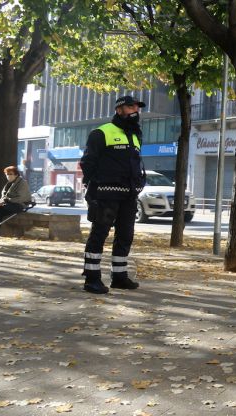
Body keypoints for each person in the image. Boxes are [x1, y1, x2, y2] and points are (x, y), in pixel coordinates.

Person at [80, 96, 146, 294]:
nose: (135, 109)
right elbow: (88, 162)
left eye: (137, 107)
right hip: (105, 194)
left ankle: (119, 277)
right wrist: (94, 186)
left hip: (129, 196)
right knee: (99, 234)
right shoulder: (101, 132)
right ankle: (91, 279)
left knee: (125, 235)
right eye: (130, 106)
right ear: (119, 109)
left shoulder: (135, 135)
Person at [0, 166, 31, 237]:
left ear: (16, 175)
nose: (8, 176)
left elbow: (21, 198)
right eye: (7, 174)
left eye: (10, 174)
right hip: (9, 204)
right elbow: (4, 197)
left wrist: (4, 201)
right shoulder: (9, 184)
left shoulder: (22, 183)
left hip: (20, 205)